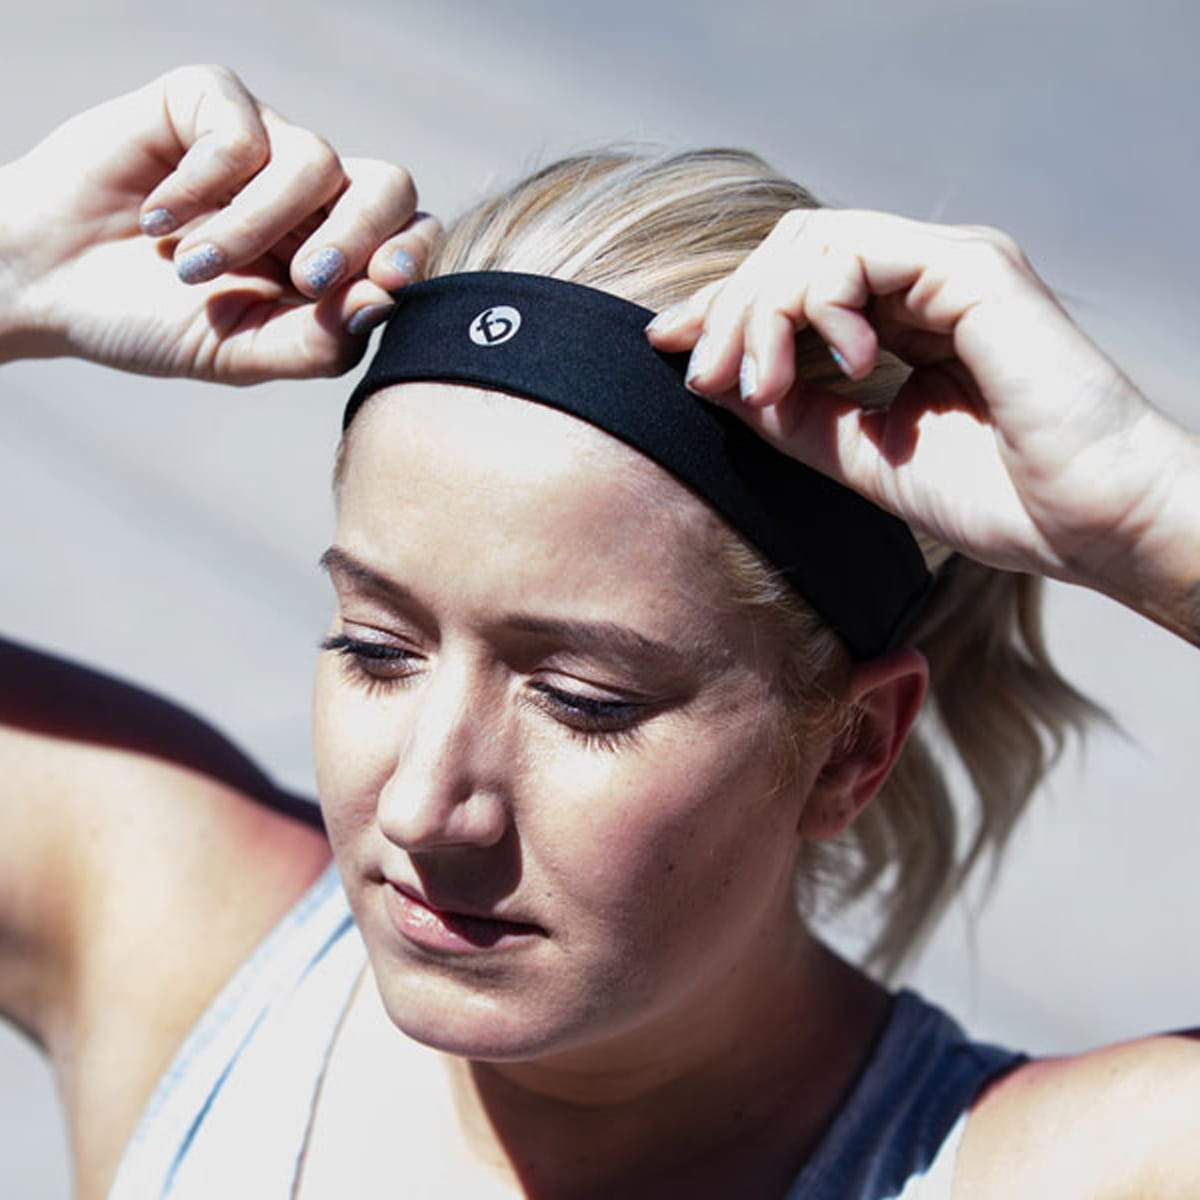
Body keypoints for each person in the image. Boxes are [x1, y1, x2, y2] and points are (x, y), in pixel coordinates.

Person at [1, 63, 1197, 1200]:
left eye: (584, 701)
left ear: (850, 750)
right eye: (377, 648)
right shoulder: (172, 935)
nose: (425, 807)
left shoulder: (1056, 1169)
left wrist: (1150, 508)